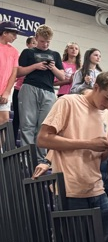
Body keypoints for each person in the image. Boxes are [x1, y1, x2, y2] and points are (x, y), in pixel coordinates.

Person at [37, 70, 108, 242]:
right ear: (96, 87)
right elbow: (43, 139)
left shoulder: (107, 115)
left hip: (96, 187)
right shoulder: (68, 102)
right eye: (107, 98)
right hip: (70, 188)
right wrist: (88, 143)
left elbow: (99, 156)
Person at [17, 24, 66, 157]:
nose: (45, 44)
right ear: (36, 38)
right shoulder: (28, 52)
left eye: (47, 42)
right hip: (30, 87)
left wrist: (53, 67)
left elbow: (62, 76)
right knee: (27, 125)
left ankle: (40, 159)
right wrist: (36, 66)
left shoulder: (55, 55)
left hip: (48, 91)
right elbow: (19, 72)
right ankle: (27, 157)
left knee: (43, 126)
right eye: (42, 41)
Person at [0, 21, 19, 125]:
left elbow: (14, 73)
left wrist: (7, 92)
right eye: (13, 34)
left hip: (5, 92)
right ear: (4, 33)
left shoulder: (14, 51)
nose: (15, 37)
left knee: (4, 121)